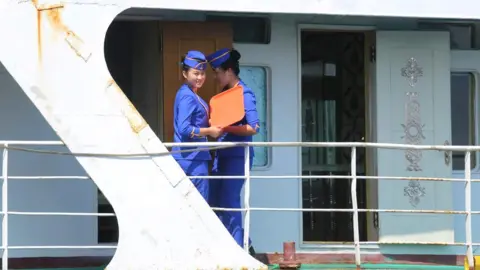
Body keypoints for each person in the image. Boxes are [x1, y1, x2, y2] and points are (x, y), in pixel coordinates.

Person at [206, 48, 260, 255]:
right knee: (215, 202)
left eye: (217, 72)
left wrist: (226, 128)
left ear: (228, 71)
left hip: (238, 156)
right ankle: (244, 243)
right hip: (223, 155)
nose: (215, 76)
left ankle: (239, 250)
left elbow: (253, 127)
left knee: (229, 200)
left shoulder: (244, 93)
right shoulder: (224, 96)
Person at [172, 50, 223, 202]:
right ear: (185, 74)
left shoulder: (189, 93)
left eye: (202, 73)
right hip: (191, 159)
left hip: (192, 157)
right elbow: (184, 129)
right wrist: (210, 131)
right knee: (198, 206)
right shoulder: (187, 96)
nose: (200, 77)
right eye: (196, 73)